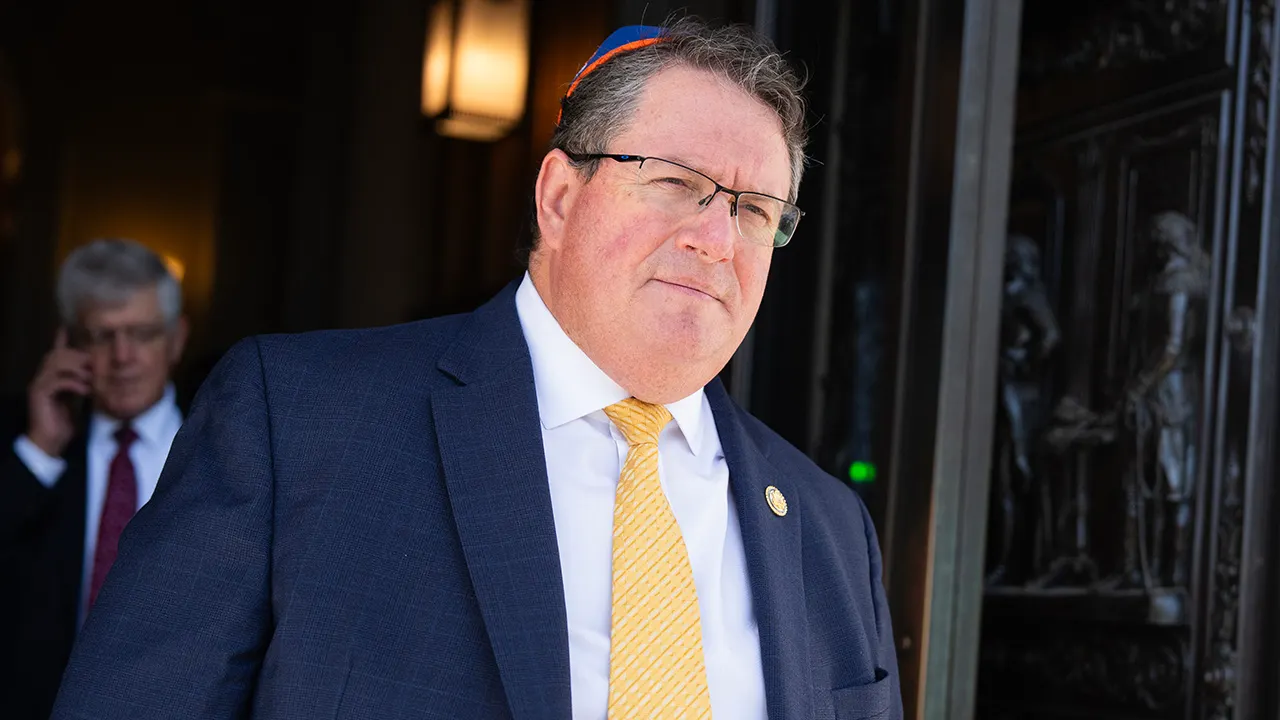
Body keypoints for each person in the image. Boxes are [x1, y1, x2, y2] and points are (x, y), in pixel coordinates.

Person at [53, 19, 902, 720]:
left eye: (755, 210)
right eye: (678, 183)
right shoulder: (299, 423)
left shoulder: (831, 530)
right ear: (559, 198)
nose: (716, 240)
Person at [0, 238, 188, 720]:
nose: (123, 356)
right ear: (69, 343)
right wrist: (40, 450)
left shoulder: (221, 446)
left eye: (142, 333)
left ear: (176, 339)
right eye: (103, 336)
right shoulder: (26, 442)